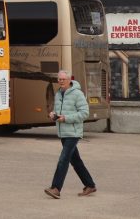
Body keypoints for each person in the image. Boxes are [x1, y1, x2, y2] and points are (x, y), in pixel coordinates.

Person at [44, 70, 96, 199]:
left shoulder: (77, 94)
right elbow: (57, 111)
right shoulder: (58, 94)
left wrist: (66, 118)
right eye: (59, 79)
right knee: (76, 161)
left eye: (63, 79)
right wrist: (53, 115)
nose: (60, 81)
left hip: (73, 132)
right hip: (63, 132)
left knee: (64, 159)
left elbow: (84, 113)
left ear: (69, 80)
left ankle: (56, 188)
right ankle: (90, 185)